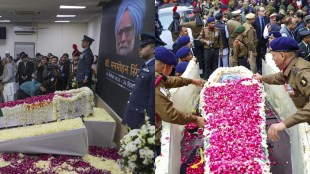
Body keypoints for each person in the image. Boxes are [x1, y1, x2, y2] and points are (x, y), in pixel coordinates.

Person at [253, 37, 310, 141]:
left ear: (283, 55)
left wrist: (284, 124)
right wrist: (262, 78)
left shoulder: (302, 73)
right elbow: (279, 77)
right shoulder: (291, 67)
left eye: (273, 55)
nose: (273, 59)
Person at [155, 46, 205, 156]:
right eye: (171, 68)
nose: (171, 71)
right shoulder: (155, 83)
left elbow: (170, 81)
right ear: (165, 67)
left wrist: (191, 81)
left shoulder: (155, 75)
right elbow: (169, 114)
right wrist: (195, 119)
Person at [122, 32, 163, 129]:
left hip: (143, 121)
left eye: (143, 46)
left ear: (153, 49)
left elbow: (153, 100)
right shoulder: (147, 65)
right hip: (135, 117)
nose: (139, 49)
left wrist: (151, 124)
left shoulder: (153, 69)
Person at [254, 6, 270, 74]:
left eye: (264, 10)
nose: (264, 12)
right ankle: (259, 69)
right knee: (258, 56)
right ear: (258, 12)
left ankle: (264, 69)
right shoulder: (255, 20)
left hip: (265, 41)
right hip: (257, 41)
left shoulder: (267, 18)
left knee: (264, 55)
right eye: (262, 11)